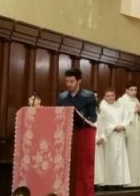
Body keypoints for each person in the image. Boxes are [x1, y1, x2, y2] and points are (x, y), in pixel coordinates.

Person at [57, 68, 97, 196]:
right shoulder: (62, 97)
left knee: (82, 168)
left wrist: (84, 119)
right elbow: (57, 114)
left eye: (71, 81)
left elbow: (93, 117)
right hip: (66, 135)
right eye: (66, 81)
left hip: (82, 134)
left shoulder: (89, 96)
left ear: (79, 81)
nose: (68, 84)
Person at [97, 88, 131, 188]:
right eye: (108, 96)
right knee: (110, 159)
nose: (110, 98)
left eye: (112, 95)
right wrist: (113, 127)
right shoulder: (102, 107)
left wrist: (123, 125)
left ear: (115, 95)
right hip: (110, 136)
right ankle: (109, 183)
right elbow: (102, 121)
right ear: (104, 97)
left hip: (120, 135)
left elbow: (127, 117)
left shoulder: (120, 105)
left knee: (120, 159)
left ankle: (119, 182)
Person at [117, 82, 140, 187]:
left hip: (136, 130)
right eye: (132, 90)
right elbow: (121, 115)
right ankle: (128, 182)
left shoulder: (136, 100)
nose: (134, 92)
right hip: (128, 130)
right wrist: (134, 111)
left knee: (136, 155)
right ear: (126, 90)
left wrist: (139, 112)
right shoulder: (121, 100)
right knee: (129, 155)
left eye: (135, 90)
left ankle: (137, 180)